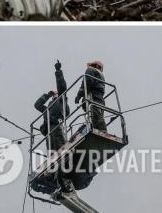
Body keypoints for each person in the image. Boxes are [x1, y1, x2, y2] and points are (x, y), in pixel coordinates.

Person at [34, 60, 74, 192]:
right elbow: (37, 105)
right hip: (49, 131)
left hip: (56, 127)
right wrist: (48, 94)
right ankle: (56, 178)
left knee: (60, 150)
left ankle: (63, 175)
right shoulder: (49, 107)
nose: (55, 94)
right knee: (52, 153)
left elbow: (62, 86)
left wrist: (58, 71)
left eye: (55, 94)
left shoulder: (61, 100)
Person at [74, 60, 107, 132]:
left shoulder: (91, 70)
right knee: (98, 116)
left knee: (95, 115)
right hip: (100, 98)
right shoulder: (100, 74)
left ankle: (101, 131)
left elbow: (86, 83)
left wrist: (78, 96)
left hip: (93, 96)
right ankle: (100, 130)